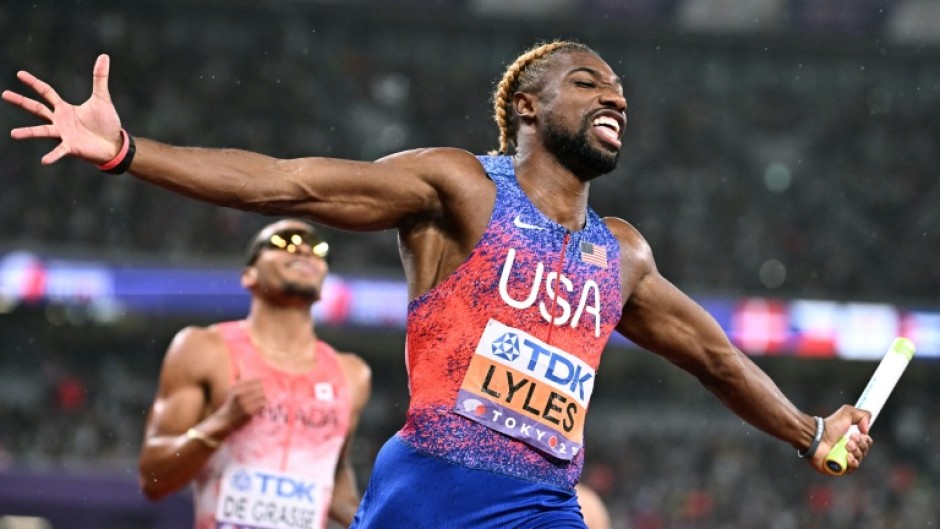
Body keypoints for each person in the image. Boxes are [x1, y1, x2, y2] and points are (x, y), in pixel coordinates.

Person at [4, 40, 873, 529]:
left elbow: (716, 358)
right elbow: (287, 183)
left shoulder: (622, 254)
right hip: (428, 487)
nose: (614, 97)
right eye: (587, 83)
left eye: (619, 92)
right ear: (527, 105)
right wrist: (128, 152)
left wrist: (809, 431)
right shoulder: (462, 187)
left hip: (542, 501)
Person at [136, 218, 372, 529]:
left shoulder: (351, 375)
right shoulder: (203, 350)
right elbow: (153, 480)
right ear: (248, 275)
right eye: (283, 242)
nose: (303, 250)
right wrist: (222, 422)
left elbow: (334, 479)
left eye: (317, 248)